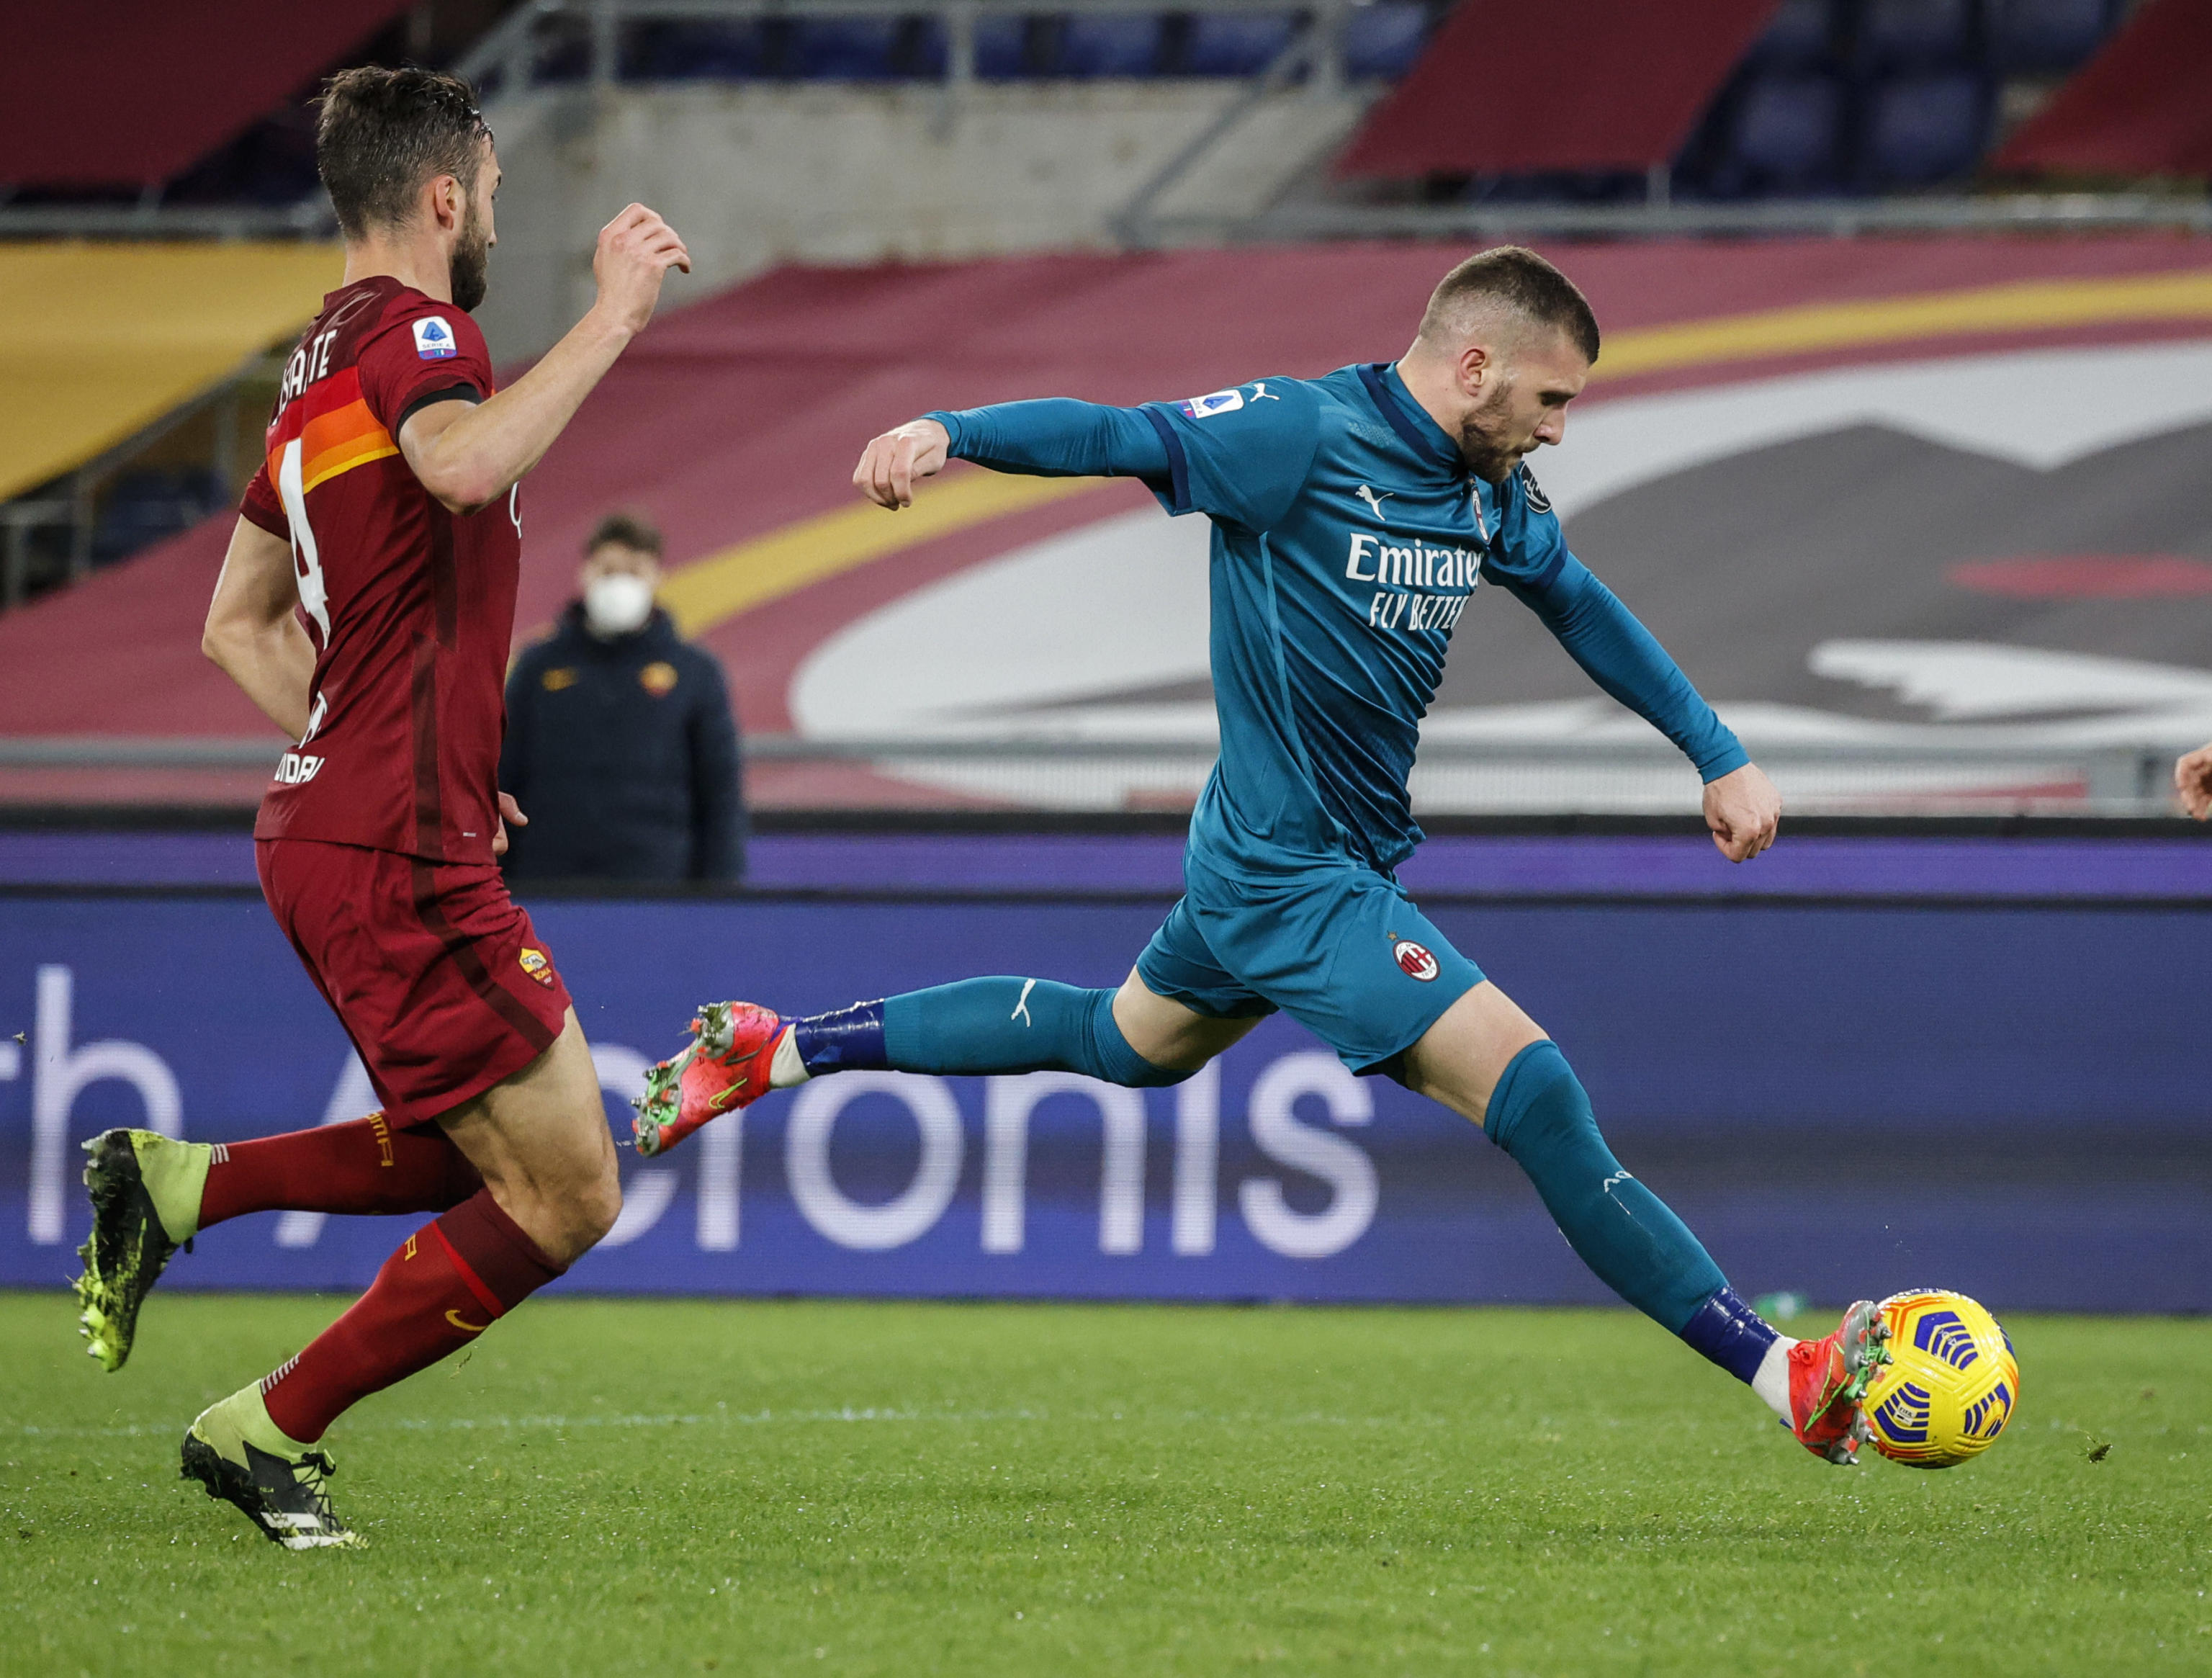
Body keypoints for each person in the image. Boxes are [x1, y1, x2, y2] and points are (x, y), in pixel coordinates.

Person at [635, 246, 1894, 1465]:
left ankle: (776, 1048)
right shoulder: (1299, 434)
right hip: (1293, 876)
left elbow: (1577, 602)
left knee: (1120, 1042)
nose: (1558, 429)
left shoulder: (1487, 491)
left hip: (1289, 859)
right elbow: (1116, 434)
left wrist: (1713, 749)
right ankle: (1783, 1374)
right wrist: (949, 430)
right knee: (1541, 1096)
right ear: (1474, 366)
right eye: (1550, 398)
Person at [69, 66, 690, 1548]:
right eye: (495, 195)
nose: (497, 224)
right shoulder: (421, 335)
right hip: (389, 842)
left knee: (493, 1150)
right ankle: (267, 1425)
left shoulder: (313, 371)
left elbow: (235, 624)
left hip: (340, 827)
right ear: (444, 195)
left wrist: (387, 756)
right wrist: (613, 314)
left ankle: (178, 1185)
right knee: (570, 1193)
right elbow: (462, 465)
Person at [500, 512, 745, 884]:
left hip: (658, 883)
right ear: (585, 572)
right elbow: (503, 774)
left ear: (657, 576)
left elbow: (720, 793)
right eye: (608, 570)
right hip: (549, 881)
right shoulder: (537, 667)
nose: (620, 583)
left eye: (634, 571)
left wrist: (721, 892)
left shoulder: (695, 673)